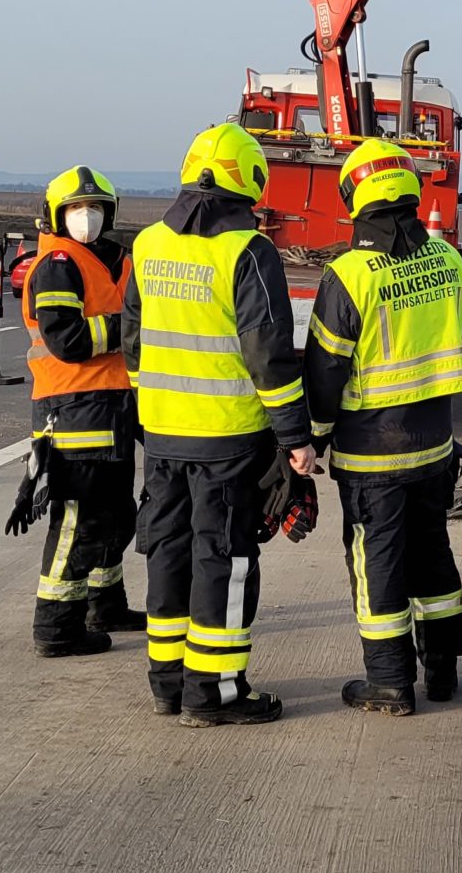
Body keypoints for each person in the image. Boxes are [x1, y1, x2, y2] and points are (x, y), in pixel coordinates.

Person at [122, 123, 317, 724]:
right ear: (249, 181)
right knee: (223, 563)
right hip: (227, 440)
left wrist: (152, 410)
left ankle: (168, 684)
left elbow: (133, 342)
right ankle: (215, 692)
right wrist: (295, 437)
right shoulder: (247, 251)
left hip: (163, 436)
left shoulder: (148, 244)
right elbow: (268, 356)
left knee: (168, 554)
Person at [304, 138, 462, 716]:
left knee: (377, 563)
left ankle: (390, 681)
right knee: (433, 553)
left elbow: (325, 370)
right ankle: (443, 671)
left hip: (371, 453)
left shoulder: (349, 275)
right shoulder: (448, 259)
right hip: (435, 445)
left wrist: (313, 436)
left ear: (354, 197)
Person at [15, 166, 141, 656]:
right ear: (55, 215)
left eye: (94, 208)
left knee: (115, 514)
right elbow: (66, 340)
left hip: (115, 407)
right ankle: (56, 628)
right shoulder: (57, 264)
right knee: (77, 520)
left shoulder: (117, 260)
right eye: (74, 208)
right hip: (71, 409)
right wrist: (127, 328)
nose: (86, 217)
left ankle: (105, 605)